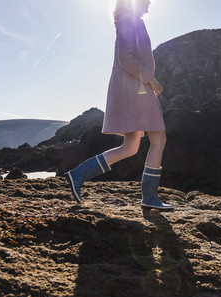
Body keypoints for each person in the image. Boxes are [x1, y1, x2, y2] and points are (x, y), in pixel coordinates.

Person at [64, 0, 173, 211]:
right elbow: (126, 57)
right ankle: (149, 197)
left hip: (132, 88)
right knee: (158, 139)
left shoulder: (129, 19)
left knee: (130, 147)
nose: (150, 1)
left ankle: (78, 174)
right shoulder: (129, 19)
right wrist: (151, 79)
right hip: (136, 89)